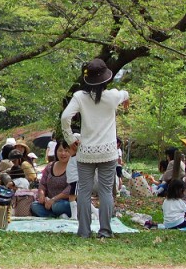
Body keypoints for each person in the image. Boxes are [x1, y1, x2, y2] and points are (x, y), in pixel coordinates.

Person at [61, 57, 129, 239]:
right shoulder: (113, 96)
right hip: (108, 151)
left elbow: (65, 117)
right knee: (106, 191)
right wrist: (126, 99)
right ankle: (105, 231)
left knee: (84, 191)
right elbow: (125, 93)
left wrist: (69, 139)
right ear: (106, 79)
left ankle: (84, 231)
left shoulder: (79, 98)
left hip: (86, 152)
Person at [31, 140, 72, 217]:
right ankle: (56, 216)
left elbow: (70, 189)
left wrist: (53, 199)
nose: (63, 153)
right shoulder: (50, 166)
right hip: (48, 202)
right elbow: (42, 184)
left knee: (57, 206)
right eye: (60, 150)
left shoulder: (73, 167)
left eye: (66, 151)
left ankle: (56, 214)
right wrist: (42, 195)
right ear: (56, 152)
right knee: (34, 206)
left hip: (64, 203)